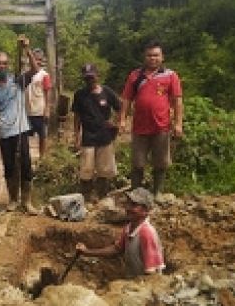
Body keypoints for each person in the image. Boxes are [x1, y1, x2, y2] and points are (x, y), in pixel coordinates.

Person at [0, 36, 41, 214]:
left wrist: (26, 49)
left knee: (25, 164)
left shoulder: (17, 80)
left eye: (5, 63)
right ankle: (13, 200)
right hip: (3, 132)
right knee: (9, 166)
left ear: (8, 65)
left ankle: (27, 202)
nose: (2, 66)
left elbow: (35, 69)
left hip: (20, 129)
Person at [118, 40, 183, 195]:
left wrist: (178, 123)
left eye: (156, 55)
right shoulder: (135, 76)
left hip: (161, 126)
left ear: (162, 57)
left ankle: (157, 193)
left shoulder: (170, 76)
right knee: (138, 163)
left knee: (160, 163)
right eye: (149, 55)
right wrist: (122, 120)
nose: (153, 58)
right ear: (144, 57)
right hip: (139, 128)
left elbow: (177, 100)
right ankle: (136, 194)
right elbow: (126, 99)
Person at [75, 187, 165, 278]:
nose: (128, 208)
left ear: (145, 210)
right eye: (128, 203)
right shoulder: (129, 228)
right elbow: (117, 249)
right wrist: (87, 252)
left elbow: (152, 274)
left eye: (134, 205)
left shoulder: (146, 233)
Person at [72, 63, 121, 201]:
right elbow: (77, 117)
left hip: (105, 135)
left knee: (104, 169)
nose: (89, 81)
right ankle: (86, 196)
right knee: (86, 168)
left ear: (97, 76)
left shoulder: (107, 92)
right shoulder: (80, 95)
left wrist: (117, 123)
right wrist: (76, 135)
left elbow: (120, 108)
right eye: (87, 78)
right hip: (88, 135)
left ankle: (102, 195)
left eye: (92, 78)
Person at [25, 48, 51, 158]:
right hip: (27, 110)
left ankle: (42, 158)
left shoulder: (44, 75)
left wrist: (47, 109)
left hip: (40, 110)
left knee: (42, 136)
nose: (38, 62)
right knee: (26, 136)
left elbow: (47, 92)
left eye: (40, 59)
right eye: (36, 59)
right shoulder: (26, 74)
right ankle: (26, 157)